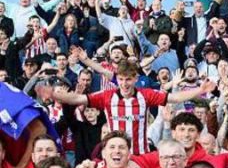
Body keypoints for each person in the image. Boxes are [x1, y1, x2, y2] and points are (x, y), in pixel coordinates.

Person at [53, 64, 215, 154]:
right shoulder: (107, 96)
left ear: (135, 79)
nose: (124, 84)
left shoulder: (146, 95)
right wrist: (54, 94)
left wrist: (201, 90)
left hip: (141, 155)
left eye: (128, 79)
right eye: (121, 79)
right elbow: (77, 99)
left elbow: (175, 98)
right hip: (115, 155)